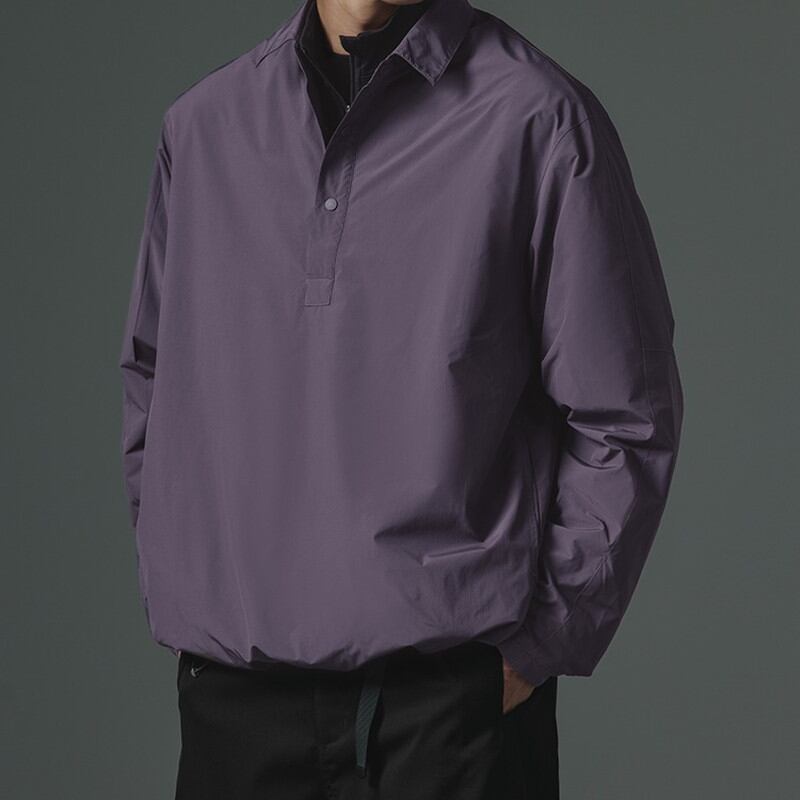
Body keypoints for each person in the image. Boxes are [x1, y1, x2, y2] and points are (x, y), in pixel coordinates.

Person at [117, 0, 684, 797]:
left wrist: (540, 644)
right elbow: (153, 376)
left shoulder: (538, 120)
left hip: (448, 717)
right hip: (237, 712)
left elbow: (626, 413)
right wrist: (184, 582)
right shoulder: (204, 128)